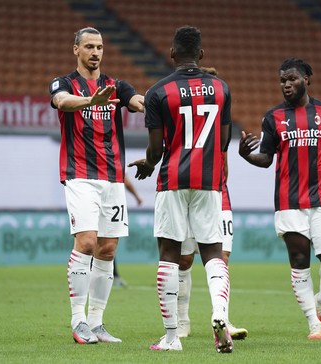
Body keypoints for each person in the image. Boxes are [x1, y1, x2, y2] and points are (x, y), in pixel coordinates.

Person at [129, 26, 233, 353]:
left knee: (170, 255)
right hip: (209, 180)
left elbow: (156, 150)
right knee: (213, 252)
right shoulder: (221, 88)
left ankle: (172, 337)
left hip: (173, 180)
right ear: (201, 55)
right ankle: (219, 314)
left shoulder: (159, 92)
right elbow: (225, 140)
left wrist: (147, 165)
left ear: (172, 53)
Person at [239, 58, 321, 340]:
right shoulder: (273, 117)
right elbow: (265, 159)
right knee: (299, 259)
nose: (286, 85)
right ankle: (313, 322)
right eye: (282, 81)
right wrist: (246, 156)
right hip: (289, 202)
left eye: (291, 79)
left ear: (306, 80)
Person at [49, 26, 144, 345]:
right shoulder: (63, 83)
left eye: (100, 47)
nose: (95, 52)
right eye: (89, 46)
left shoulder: (117, 85)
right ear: (75, 49)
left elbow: (137, 101)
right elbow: (61, 102)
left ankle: (97, 323)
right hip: (80, 175)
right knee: (87, 242)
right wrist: (90, 100)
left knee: (108, 248)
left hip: (113, 177)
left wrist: (155, 104)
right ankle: (78, 320)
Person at [176, 66, 247, 341]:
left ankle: (223, 319)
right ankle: (182, 320)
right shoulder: (183, 114)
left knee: (221, 257)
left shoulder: (220, 114)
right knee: (183, 258)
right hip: (187, 192)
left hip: (218, 193)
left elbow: (225, 153)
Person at [112, 175, 143, 288]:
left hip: (106, 203)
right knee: (106, 241)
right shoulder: (115, 158)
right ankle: (112, 276)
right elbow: (126, 180)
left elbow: (125, 179)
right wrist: (137, 196)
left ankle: (113, 275)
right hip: (109, 203)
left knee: (104, 243)